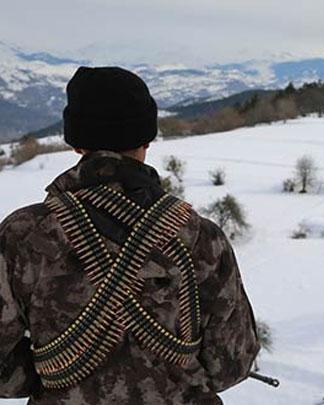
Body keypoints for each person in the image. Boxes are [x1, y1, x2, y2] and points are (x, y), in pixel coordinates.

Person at [0, 67, 259, 404]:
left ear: (77, 143)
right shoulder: (200, 237)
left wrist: (57, 378)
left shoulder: (23, 234)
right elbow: (231, 364)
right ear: (146, 139)